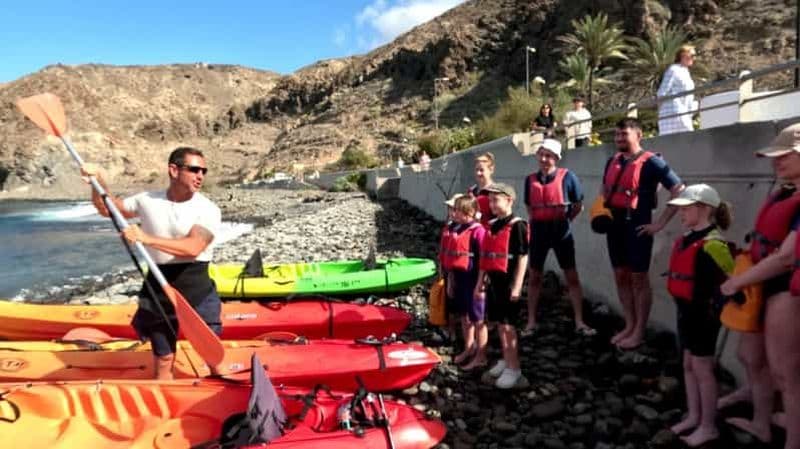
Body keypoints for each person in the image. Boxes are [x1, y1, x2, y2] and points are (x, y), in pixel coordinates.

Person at [82, 147, 222, 379]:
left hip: (196, 289)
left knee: (212, 357)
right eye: (194, 169)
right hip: (158, 287)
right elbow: (109, 209)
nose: (201, 176)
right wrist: (98, 181)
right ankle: (164, 402)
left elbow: (193, 247)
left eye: (203, 171)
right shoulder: (147, 200)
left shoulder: (207, 209)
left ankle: (226, 395)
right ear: (174, 170)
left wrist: (146, 238)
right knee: (164, 358)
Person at [720, 123, 800, 449]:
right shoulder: (786, 191)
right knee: (750, 355)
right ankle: (761, 424)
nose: (776, 162)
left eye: (785, 155)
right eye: (774, 156)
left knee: (786, 374)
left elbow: (785, 258)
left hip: (786, 289)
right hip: (760, 283)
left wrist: (736, 282)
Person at [602, 118, 685, 349]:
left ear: (638, 135)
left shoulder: (653, 162)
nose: (619, 138)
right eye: (617, 134)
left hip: (638, 223)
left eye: (624, 134)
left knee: (639, 278)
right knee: (620, 274)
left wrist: (659, 224)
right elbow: (605, 189)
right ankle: (629, 324)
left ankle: (639, 330)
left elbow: (679, 189)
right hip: (615, 224)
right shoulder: (613, 160)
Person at [664, 184, 734, 447]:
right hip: (686, 311)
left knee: (703, 368)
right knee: (688, 365)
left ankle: (709, 426)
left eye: (686, 208)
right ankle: (694, 416)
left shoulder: (714, 244)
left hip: (704, 315)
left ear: (704, 209)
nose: (680, 213)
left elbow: (733, 280)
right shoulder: (687, 238)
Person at [523, 139, 595, 337]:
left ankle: (579, 321)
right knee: (535, 276)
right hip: (539, 231)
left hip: (561, 230)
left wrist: (565, 220)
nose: (544, 159)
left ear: (556, 158)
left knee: (571, 276)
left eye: (549, 155)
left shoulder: (568, 177)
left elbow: (578, 205)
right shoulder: (529, 180)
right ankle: (531, 321)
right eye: (542, 154)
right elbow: (530, 206)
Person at [476, 183, 529, 389]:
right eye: (490, 200)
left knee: (509, 326)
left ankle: (514, 368)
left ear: (509, 200)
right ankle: (506, 360)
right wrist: (481, 281)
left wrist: (516, 286)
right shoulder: (493, 225)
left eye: (496, 199)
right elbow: (485, 258)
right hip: (494, 283)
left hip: (508, 284)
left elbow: (523, 258)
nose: (492, 204)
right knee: (499, 323)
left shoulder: (518, 225)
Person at [441, 196, 488, 370]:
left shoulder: (478, 231)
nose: (455, 214)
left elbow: (484, 260)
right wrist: (451, 280)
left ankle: (481, 355)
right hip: (459, 278)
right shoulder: (457, 228)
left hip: (473, 279)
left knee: (478, 319)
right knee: (464, 315)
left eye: (460, 211)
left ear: (470, 213)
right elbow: (452, 259)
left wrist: (481, 284)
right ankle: (469, 347)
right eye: (456, 211)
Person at [657, 45, 698, 136]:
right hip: (672, 112)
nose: (694, 58)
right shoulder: (673, 69)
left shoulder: (686, 72)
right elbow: (662, 91)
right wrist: (660, 113)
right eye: (692, 55)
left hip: (684, 113)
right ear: (683, 55)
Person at [439, 193, 464, 341]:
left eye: (454, 209)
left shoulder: (470, 228)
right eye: (449, 209)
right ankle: (451, 329)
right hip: (448, 268)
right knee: (449, 300)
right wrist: (442, 268)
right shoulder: (449, 226)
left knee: (456, 301)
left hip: (460, 271)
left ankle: (456, 331)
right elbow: (442, 248)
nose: (451, 212)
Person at [468, 152, 497, 226]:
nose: (478, 173)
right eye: (476, 170)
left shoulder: (496, 191)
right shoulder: (471, 191)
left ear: (491, 170)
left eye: (481, 170)